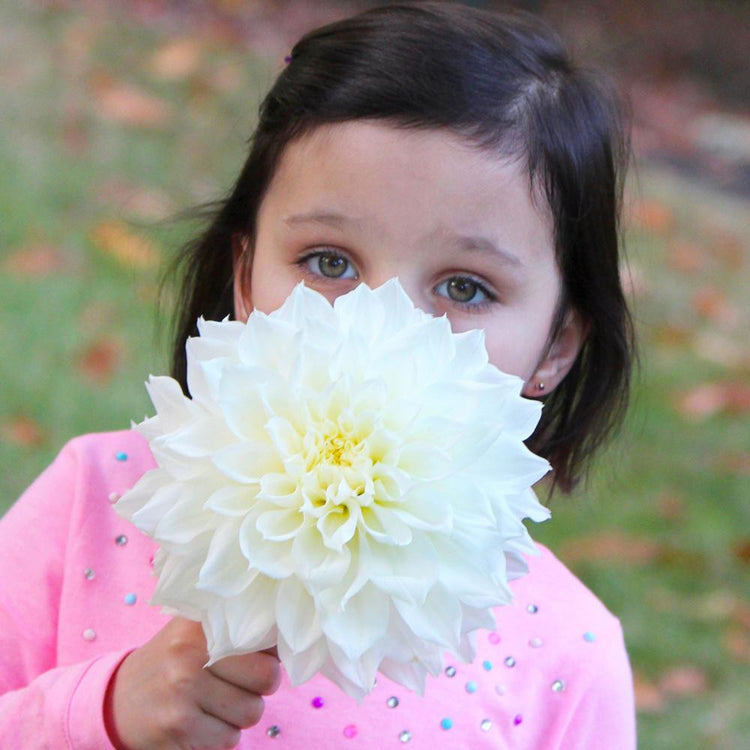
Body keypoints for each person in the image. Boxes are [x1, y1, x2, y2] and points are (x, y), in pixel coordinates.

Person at [0, 2, 637, 747]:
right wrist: (97, 714)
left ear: (556, 345)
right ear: (245, 277)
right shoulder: (97, 502)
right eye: (328, 262)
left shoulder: (566, 658)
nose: (381, 327)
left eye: (465, 287)